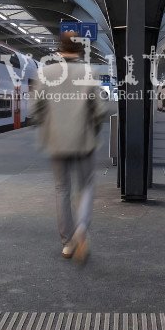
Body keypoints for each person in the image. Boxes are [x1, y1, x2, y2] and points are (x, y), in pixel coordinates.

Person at [30, 31, 108, 263]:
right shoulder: (89, 72)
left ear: (59, 48)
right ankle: (81, 228)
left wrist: (47, 125)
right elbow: (100, 110)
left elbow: (35, 110)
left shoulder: (45, 73)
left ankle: (67, 244)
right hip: (84, 140)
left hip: (56, 141)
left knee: (61, 189)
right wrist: (93, 129)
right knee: (86, 186)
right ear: (80, 50)